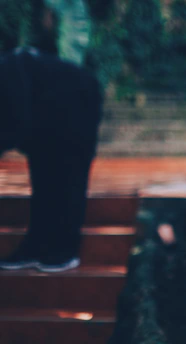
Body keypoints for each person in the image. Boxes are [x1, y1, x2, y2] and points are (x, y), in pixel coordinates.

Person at [0, 47, 102, 272]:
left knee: (71, 180)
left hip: (79, 104)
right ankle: (34, 247)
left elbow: (16, 123)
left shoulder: (9, 74)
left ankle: (66, 251)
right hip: (44, 119)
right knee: (43, 182)